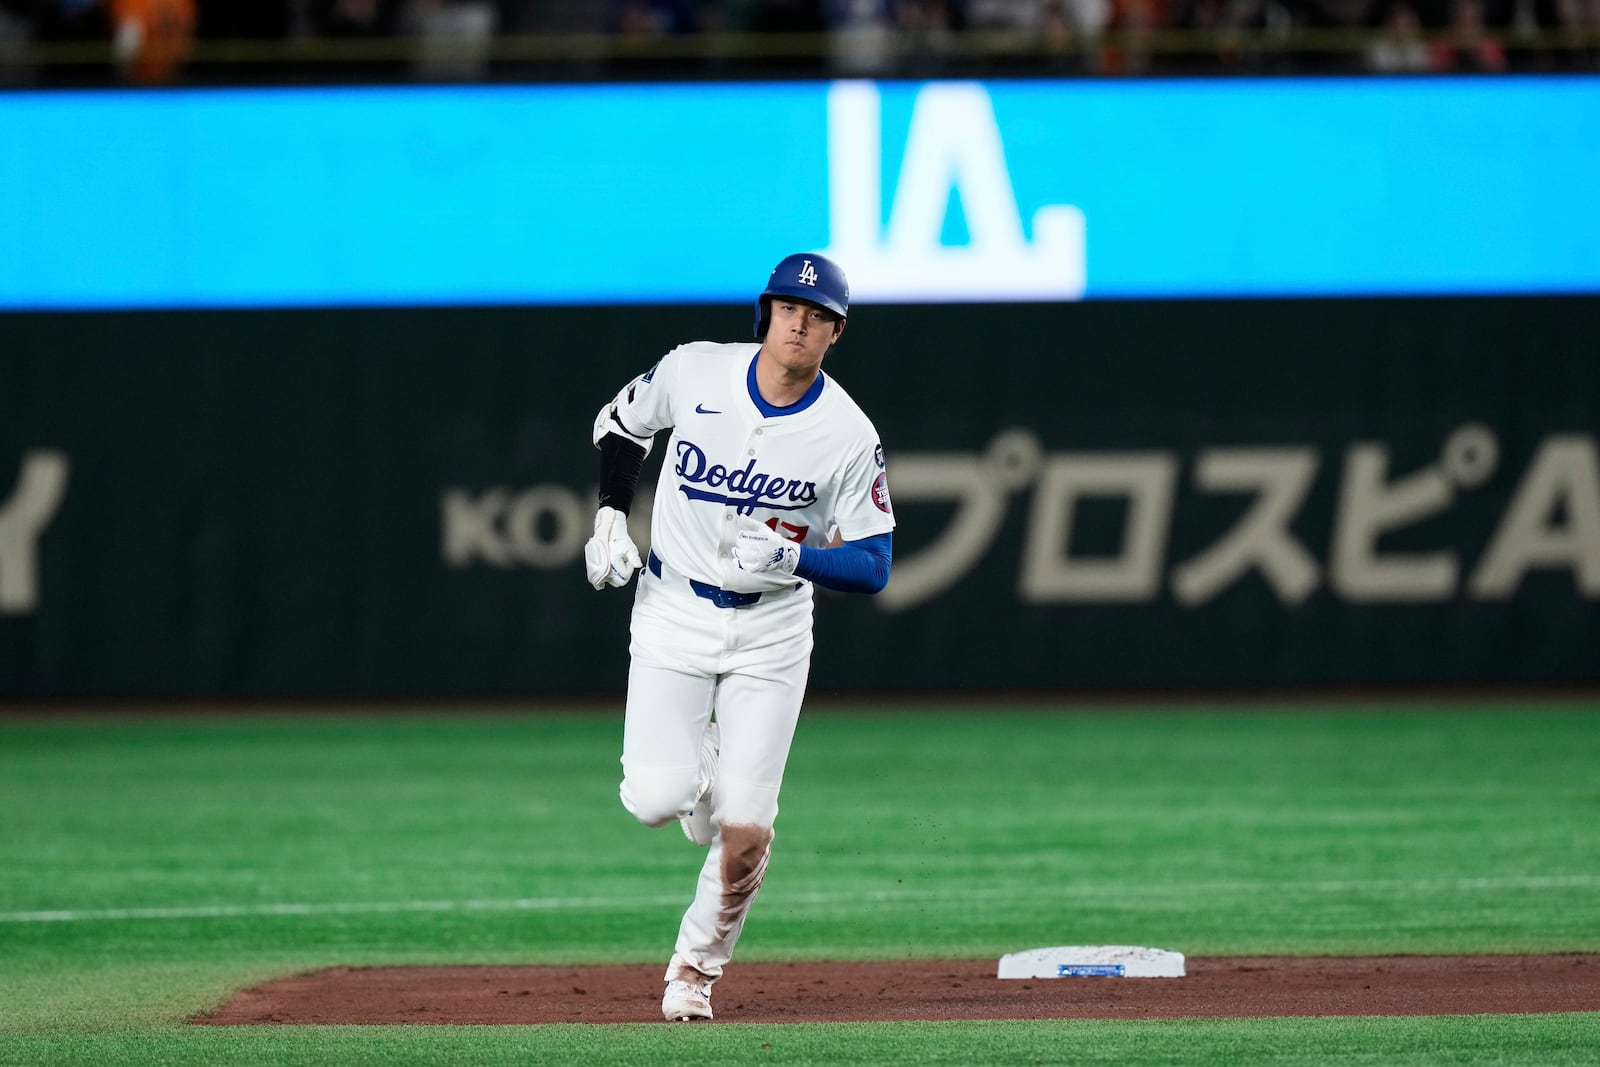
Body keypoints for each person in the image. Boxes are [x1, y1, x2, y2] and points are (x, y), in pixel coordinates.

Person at [583, 251, 895, 1022]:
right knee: (655, 799)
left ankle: (695, 968)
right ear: (767, 312)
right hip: (674, 607)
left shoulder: (848, 434)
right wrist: (609, 513)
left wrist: (798, 556)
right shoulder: (695, 371)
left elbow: (876, 561)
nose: (800, 321)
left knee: (748, 832)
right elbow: (621, 423)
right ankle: (700, 768)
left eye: (818, 315)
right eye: (789, 306)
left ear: (836, 333)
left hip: (772, 631)